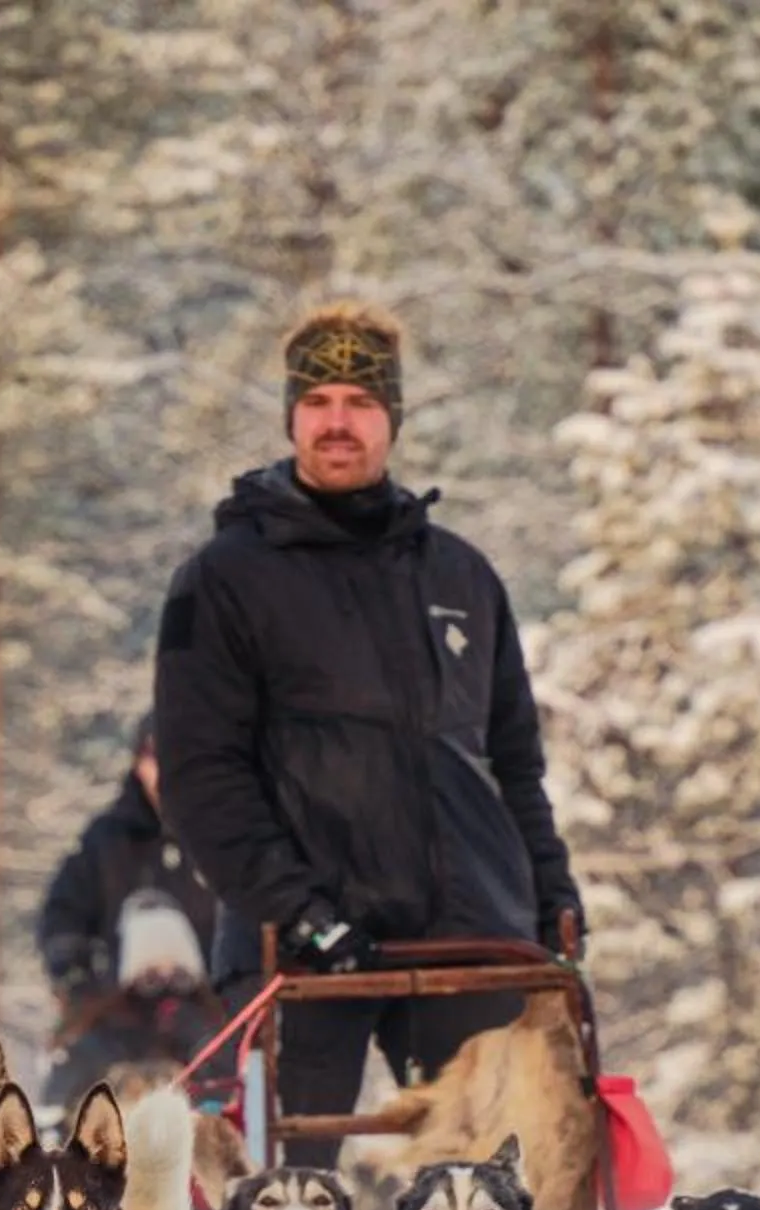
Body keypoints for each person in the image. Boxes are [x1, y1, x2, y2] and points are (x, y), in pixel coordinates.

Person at [152, 300, 582, 1166]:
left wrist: (551, 896)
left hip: (468, 942)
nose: (338, 421)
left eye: (359, 401)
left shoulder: (461, 574)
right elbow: (202, 778)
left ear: (393, 417)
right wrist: (300, 913)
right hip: (304, 950)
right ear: (291, 417)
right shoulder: (224, 579)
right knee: (288, 1206)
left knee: (493, 1201)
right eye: (318, 402)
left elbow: (513, 761)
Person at [34, 713, 225, 1111]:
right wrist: (74, 970)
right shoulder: (107, 839)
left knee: (228, 1064)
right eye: (156, 757)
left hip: (207, 1001)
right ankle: (53, 1145)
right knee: (75, 1065)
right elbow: (62, 913)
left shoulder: (221, 837)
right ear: (139, 761)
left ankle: (234, 1146)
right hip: (116, 1004)